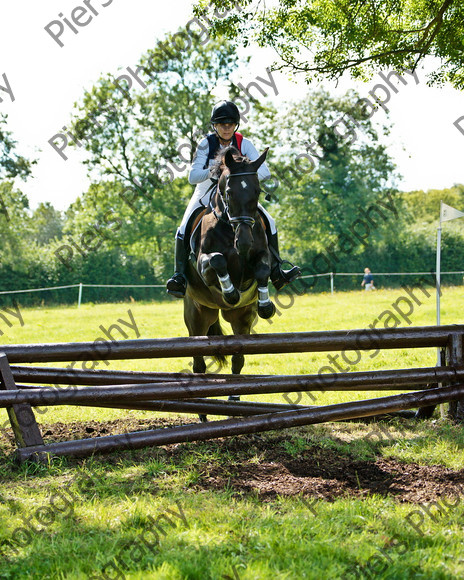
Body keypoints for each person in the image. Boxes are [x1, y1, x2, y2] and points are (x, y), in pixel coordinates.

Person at [166, 99, 301, 298]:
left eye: (230, 124)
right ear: (215, 126)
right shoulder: (206, 143)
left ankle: (277, 271)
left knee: (269, 221)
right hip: (206, 189)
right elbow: (192, 176)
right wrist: (215, 170)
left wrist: (241, 169)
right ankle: (179, 277)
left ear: (236, 124)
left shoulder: (244, 143)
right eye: (222, 124)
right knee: (183, 226)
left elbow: (264, 173)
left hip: (237, 191)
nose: (227, 128)